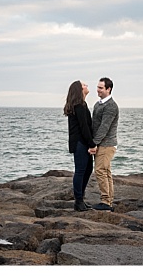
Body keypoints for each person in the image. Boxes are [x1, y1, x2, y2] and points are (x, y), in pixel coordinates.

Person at [63, 80, 95, 212]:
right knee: (81, 171)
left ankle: (80, 199)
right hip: (80, 143)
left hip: (82, 143)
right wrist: (92, 144)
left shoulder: (82, 104)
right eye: (83, 84)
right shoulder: (79, 106)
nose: (86, 85)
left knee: (88, 170)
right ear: (79, 89)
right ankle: (78, 201)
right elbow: (84, 127)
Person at [88, 77, 118, 211]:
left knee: (100, 170)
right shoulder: (98, 104)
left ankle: (106, 202)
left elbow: (104, 128)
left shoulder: (111, 106)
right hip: (101, 143)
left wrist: (93, 144)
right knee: (106, 171)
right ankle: (109, 201)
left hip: (107, 144)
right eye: (98, 87)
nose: (98, 90)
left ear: (108, 89)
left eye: (101, 88)